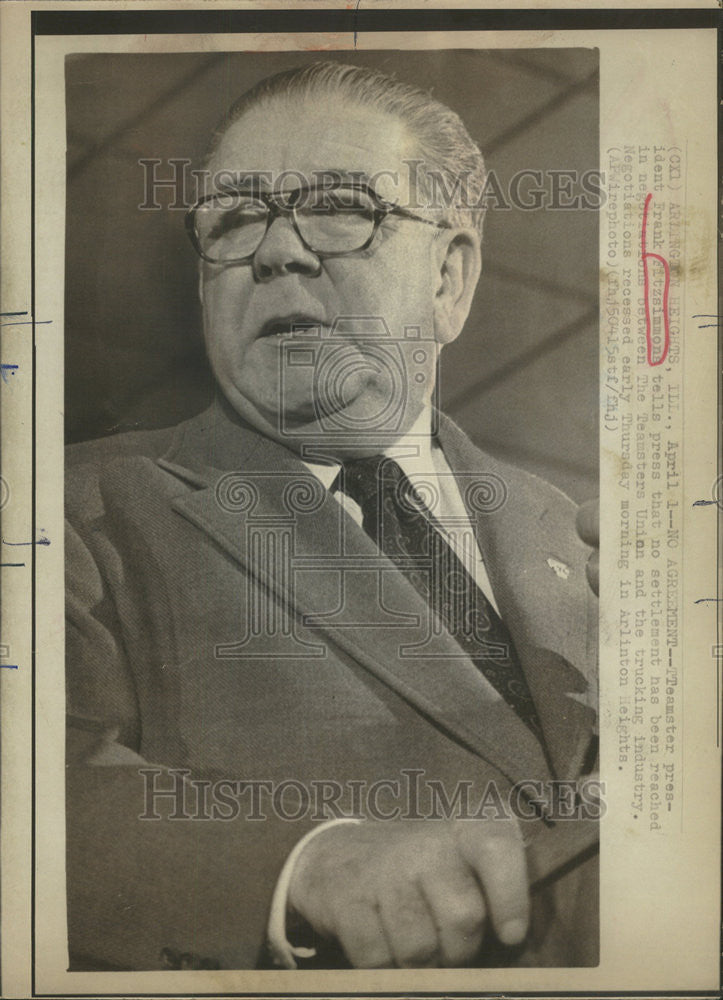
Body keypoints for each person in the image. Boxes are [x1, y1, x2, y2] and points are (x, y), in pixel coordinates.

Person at [65, 60, 600, 972]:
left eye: (342, 207)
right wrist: (299, 865)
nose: (277, 251)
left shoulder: (577, 536)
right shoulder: (71, 509)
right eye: (235, 220)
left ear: (449, 277)